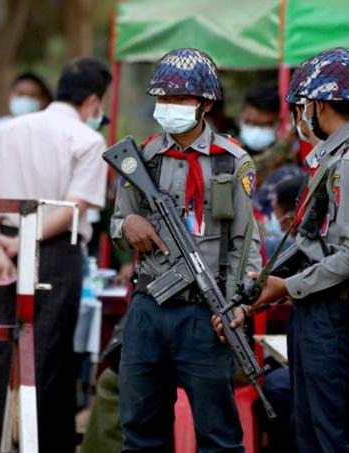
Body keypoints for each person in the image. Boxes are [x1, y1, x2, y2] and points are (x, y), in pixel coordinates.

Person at [217, 47, 349, 452]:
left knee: (336, 438)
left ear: (319, 106)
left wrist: (288, 287)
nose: (300, 117)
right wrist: (262, 289)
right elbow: (315, 242)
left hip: (337, 318)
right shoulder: (336, 159)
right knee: (309, 434)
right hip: (318, 312)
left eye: (302, 107)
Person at [110, 48, 261, 453]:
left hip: (206, 315)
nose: (169, 107)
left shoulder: (232, 163)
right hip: (148, 309)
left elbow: (249, 246)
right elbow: (115, 224)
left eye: (180, 99)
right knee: (140, 434)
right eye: (163, 99)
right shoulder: (141, 158)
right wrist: (129, 224)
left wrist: (239, 307)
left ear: (206, 104)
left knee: (218, 437)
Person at [0, 58, 111, 452]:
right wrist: (20, 244)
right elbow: (76, 206)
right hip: (54, 250)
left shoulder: (4, 129)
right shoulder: (88, 140)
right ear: (92, 101)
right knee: (48, 355)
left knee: (5, 350)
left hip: (1, 245)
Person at [0, 72, 53, 369]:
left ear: (45, 100)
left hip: (40, 229)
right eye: (20, 93)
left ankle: (23, 379)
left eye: (32, 94)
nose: (25, 100)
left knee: (33, 315)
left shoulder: (48, 134)